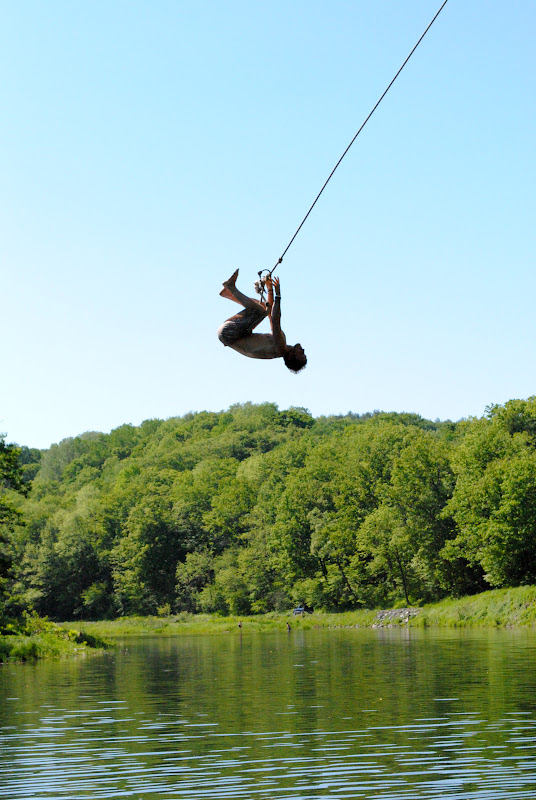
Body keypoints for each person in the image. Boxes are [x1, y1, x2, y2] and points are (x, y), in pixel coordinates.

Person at [218, 270, 307, 373]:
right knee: (264, 309)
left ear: (291, 356)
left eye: (302, 354)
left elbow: (275, 320)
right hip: (229, 334)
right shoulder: (279, 346)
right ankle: (228, 293)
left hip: (229, 333)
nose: (303, 350)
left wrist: (278, 295)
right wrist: (270, 289)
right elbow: (270, 314)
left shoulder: (280, 347)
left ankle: (231, 288)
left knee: (260, 311)